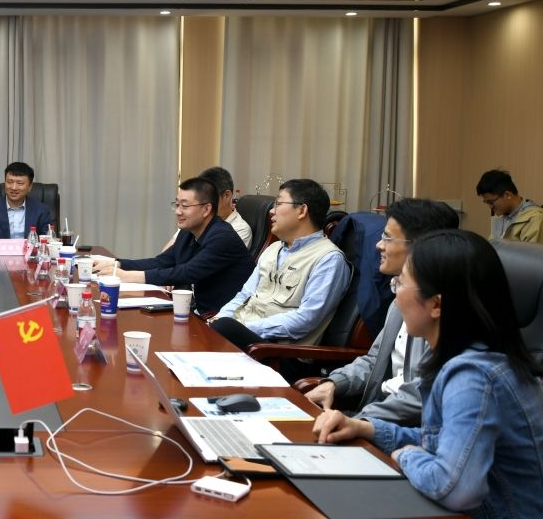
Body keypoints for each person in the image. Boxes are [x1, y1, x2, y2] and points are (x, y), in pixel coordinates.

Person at [313, 230, 543, 518]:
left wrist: (407, 456)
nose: (396, 296)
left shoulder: (472, 377)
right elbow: (443, 442)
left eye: (400, 283)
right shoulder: (465, 359)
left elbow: (454, 488)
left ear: (436, 305)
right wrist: (364, 428)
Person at [304, 199, 459, 425]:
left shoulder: (439, 310)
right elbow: (374, 360)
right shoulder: (400, 296)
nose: (378, 245)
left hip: (402, 428)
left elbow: (422, 394)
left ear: (421, 245)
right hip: (375, 415)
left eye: (387, 237)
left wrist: (361, 422)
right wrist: (334, 383)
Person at [211, 178, 351, 348]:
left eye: (278, 204)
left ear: (302, 210)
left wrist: (242, 328)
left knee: (219, 330)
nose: (271, 211)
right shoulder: (273, 249)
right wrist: (218, 318)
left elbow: (306, 319)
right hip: (241, 333)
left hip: (277, 350)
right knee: (208, 328)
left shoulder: (328, 259)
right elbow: (244, 295)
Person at [93, 177, 253, 315]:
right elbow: (161, 262)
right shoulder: (188, 232)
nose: (178, 211)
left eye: (184, 206)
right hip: (195, 311)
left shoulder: (223, 238)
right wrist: (117, 264)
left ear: (206, 209)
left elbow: (187, 272)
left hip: (221, 316)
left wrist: (127, 276)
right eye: (176, 205)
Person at [161, 167, 252, 252]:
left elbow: (203, 261)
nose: (204, 205)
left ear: (227, 196)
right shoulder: (195, 221)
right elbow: (166, 253)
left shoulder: (239, 229)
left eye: (209, 198)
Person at [0, 161, 53, 246]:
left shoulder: (41, 210)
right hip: (0, 254)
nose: (14, 187)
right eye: (9, 182)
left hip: (30, 254)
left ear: (30, 187)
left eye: (20, 183)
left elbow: (48, 242)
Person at [475, 169, 543, 243]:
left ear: (507, 195)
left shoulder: (534, 219)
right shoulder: (501, 216)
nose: (490, 207)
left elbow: (531, 250)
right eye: (486, 202)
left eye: (491, 202)